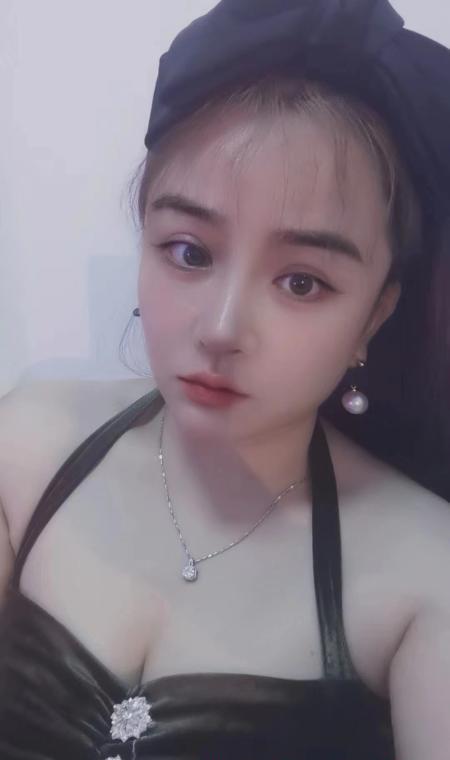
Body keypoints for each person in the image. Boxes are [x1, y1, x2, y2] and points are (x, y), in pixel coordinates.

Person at [0, 0, 449, 758]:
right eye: (189, 252)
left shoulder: (427, 581)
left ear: (374, 316)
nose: (220, 327)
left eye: (302, 282)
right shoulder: (27, 447)